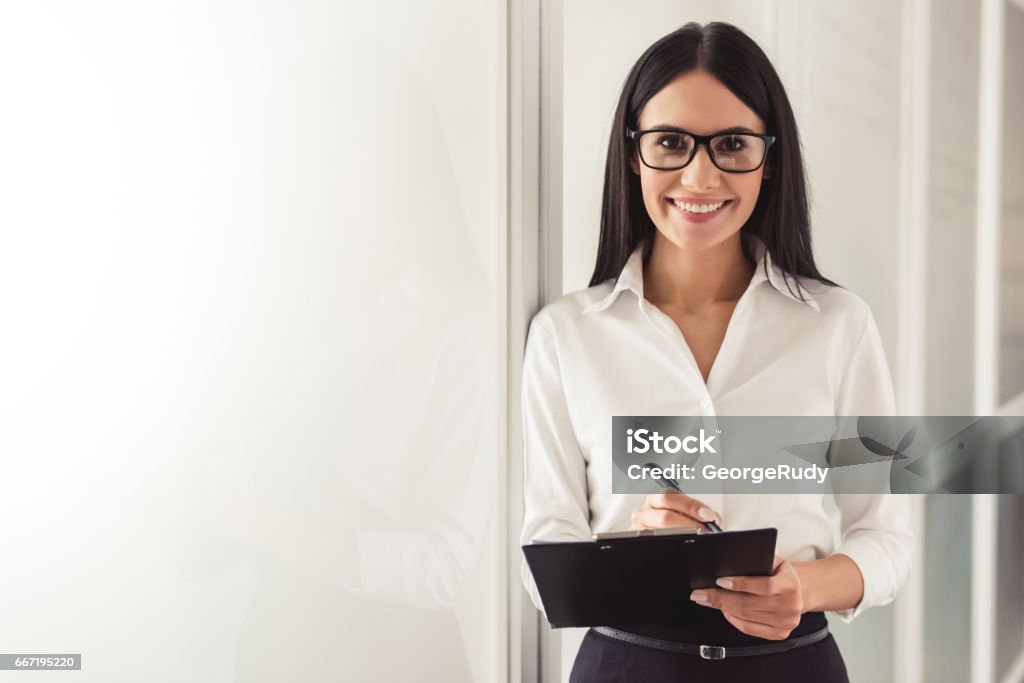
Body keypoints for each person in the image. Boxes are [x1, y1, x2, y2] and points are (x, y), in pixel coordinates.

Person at [519, 21, 913, 682]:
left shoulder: (840, 325)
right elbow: (544, 552)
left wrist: (803, 587)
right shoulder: (566, 335)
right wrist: (633, 558)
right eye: (670, 142)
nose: (701, 175)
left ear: (771, 156)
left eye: (732, 143)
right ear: (632, 154)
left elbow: (889, 540)